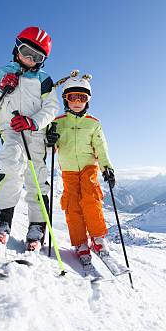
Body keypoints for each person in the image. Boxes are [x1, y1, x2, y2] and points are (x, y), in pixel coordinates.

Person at [0, 26, 60, 251]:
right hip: (11, 129)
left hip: (35, 133)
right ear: (16, 48)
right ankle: (2, 218)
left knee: (37, 176)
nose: (30, 59)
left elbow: (52, 106)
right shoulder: (0, 72)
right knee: (12, 163)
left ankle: (37, 224)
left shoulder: (44, 80)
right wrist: (1, 86)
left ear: (43, 61)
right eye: (26, 51)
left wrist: (33, 121)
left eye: (37, 57)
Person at [47, 70, 116, 265]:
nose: (77, 102)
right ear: (65, 99)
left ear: (88, 100)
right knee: (72, 205)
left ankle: (97, 238)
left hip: (88, 168)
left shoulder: (94, 124)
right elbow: (50, 149)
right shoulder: (57, 123)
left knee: (90, 199)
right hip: (68, 171)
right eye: (72, 97)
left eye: (82, 97)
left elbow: (101, 148)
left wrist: (107, 168)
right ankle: (80, 243)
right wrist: (49, 140)